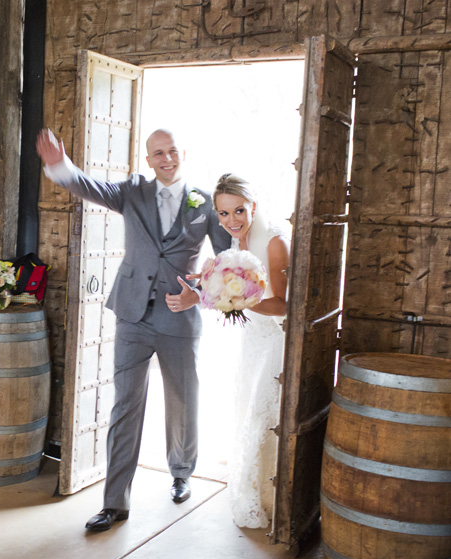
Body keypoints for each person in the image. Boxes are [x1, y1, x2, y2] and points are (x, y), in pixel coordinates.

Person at [36, 128, 231, 531]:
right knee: (125, 405)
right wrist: (58, 163)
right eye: (158, 152)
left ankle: (181, 472)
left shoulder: (206, 203)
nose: (166, 158)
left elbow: (226, 262)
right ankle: (114, 503)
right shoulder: (133, 190)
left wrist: (198, 294)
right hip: (131, 314)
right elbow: (90, 186)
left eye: (172, 150)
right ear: (149, 160)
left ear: (182, 154)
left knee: (182, 398)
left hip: (179, 315)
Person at [210, 173, 289, 528]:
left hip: (275, 339)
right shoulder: (236, 247)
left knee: (263, 415)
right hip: (252, 341)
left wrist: (241, 300)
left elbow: (284, 305)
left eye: (238, 211)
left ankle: (275, 499)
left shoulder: (273, 243)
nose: (232, 221)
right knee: (245, 409)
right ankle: (252, 489)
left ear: (253, 207)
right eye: (223, 214)